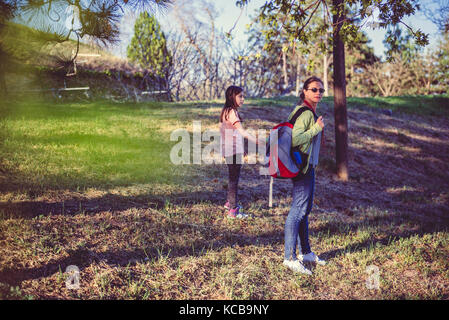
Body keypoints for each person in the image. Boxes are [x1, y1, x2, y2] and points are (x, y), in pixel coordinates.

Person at [283, 76, 326, 275]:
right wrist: (316, 128)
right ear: (305, 91)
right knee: (298, 211)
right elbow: (295, 138)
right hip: (302, 167)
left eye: (321, 90)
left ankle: (306, 252)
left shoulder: (306, 111)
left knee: (305, 209)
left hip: (305, 165)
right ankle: (289, 258)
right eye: (314, 89)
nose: (318, 93)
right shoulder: (306, 113)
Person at [220, 85, 259, 219]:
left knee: (233, 178)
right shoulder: (232, 112)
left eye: (243, 96)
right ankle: (233, 211)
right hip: (233, 151)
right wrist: (257, 141)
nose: (243, 99)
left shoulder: (226, 111)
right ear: (232, 97)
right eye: (240, 96)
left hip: (231, 150)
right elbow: (242, 132)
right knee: (234, 181)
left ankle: (229, 203)